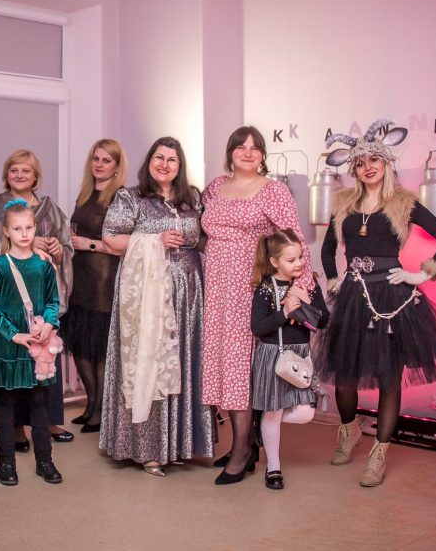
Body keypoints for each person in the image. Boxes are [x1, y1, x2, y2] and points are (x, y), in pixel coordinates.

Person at [316, 120, 436, 487]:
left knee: (389, 378)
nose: (367, 167)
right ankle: (349, 430)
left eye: (374, 159)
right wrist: (336, 281)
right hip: (354, 295)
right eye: (360, 162)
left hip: (392, 298)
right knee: (344, 377)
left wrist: (421, 275)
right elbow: (327, 250)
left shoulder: (404, 202)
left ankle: (379, 453)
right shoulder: (343, 203)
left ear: (386, 162)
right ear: (353, 169)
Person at [201, 126, 314, 484]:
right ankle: (246, 444)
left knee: (240, 367)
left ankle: (241, 451)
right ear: (230, 152)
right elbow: (203, 231)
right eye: (241, 146)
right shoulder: (215, 187)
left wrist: (300, 287)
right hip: (216, 289)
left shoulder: (273, 191)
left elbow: (294, 239)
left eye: (255, 147)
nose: (248, 152)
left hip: (247, 287)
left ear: (263, 155)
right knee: (225, 363)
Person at [99, 137, 214, 475]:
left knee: (184, 359)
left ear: (180, 166)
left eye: (172, 160)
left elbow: (202, 239)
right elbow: (110, 238)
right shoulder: (131, 197)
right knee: (149, 358)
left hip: (189, 293)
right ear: (149, 161)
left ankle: (180, 444)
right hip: (146, 294)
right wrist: (155, 241)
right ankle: (148, 448)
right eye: (159, 157)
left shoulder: (192, 198)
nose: (164, 164)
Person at [0, 150, 73, 448]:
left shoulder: (50, 208)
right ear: (6, 175)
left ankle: (49, 421)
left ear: (36, 176)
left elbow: (66, 244)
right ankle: (17, 428)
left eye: (26, 170)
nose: (20, 175)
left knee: (45, 359)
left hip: (41, 292)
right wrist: (29, 244)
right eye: (14, 170)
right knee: (15, 362)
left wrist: (56, 249)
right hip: (12, 294)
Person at [0, 200, 64, 485]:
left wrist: (50, 324)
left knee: (39, 403)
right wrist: (14, 334)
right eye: (17, 229)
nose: (25, 233)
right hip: (10, 344)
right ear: (7, 231)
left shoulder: (43, 264)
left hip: (38, 344)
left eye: (29, 227)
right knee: (6, 403)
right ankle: (7, 463)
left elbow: (53, 301)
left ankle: (45, 461)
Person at [249, 230, 328, 490]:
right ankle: (273, 467)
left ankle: (263, 421)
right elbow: (258, 327)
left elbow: (323, 322)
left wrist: (307, 301)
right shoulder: (265, 289)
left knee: (305, 413)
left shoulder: (309, 285)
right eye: (291, 260)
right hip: (274, 355)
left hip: (300, 356)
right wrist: (284, 312)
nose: (299, 263)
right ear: (274, 261)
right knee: (273, 412)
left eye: (301, 257)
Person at [66, 140, 128, 432]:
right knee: (80, 345)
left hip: (104, 278)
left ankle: (101, 410)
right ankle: (91, 403)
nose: (99, 164)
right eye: (96, 158)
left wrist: (89, 244)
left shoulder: (120, 197)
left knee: (99, 347)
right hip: (81, 275)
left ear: (116, 167)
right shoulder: (85, 193)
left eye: (106, 160)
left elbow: (127, 244)